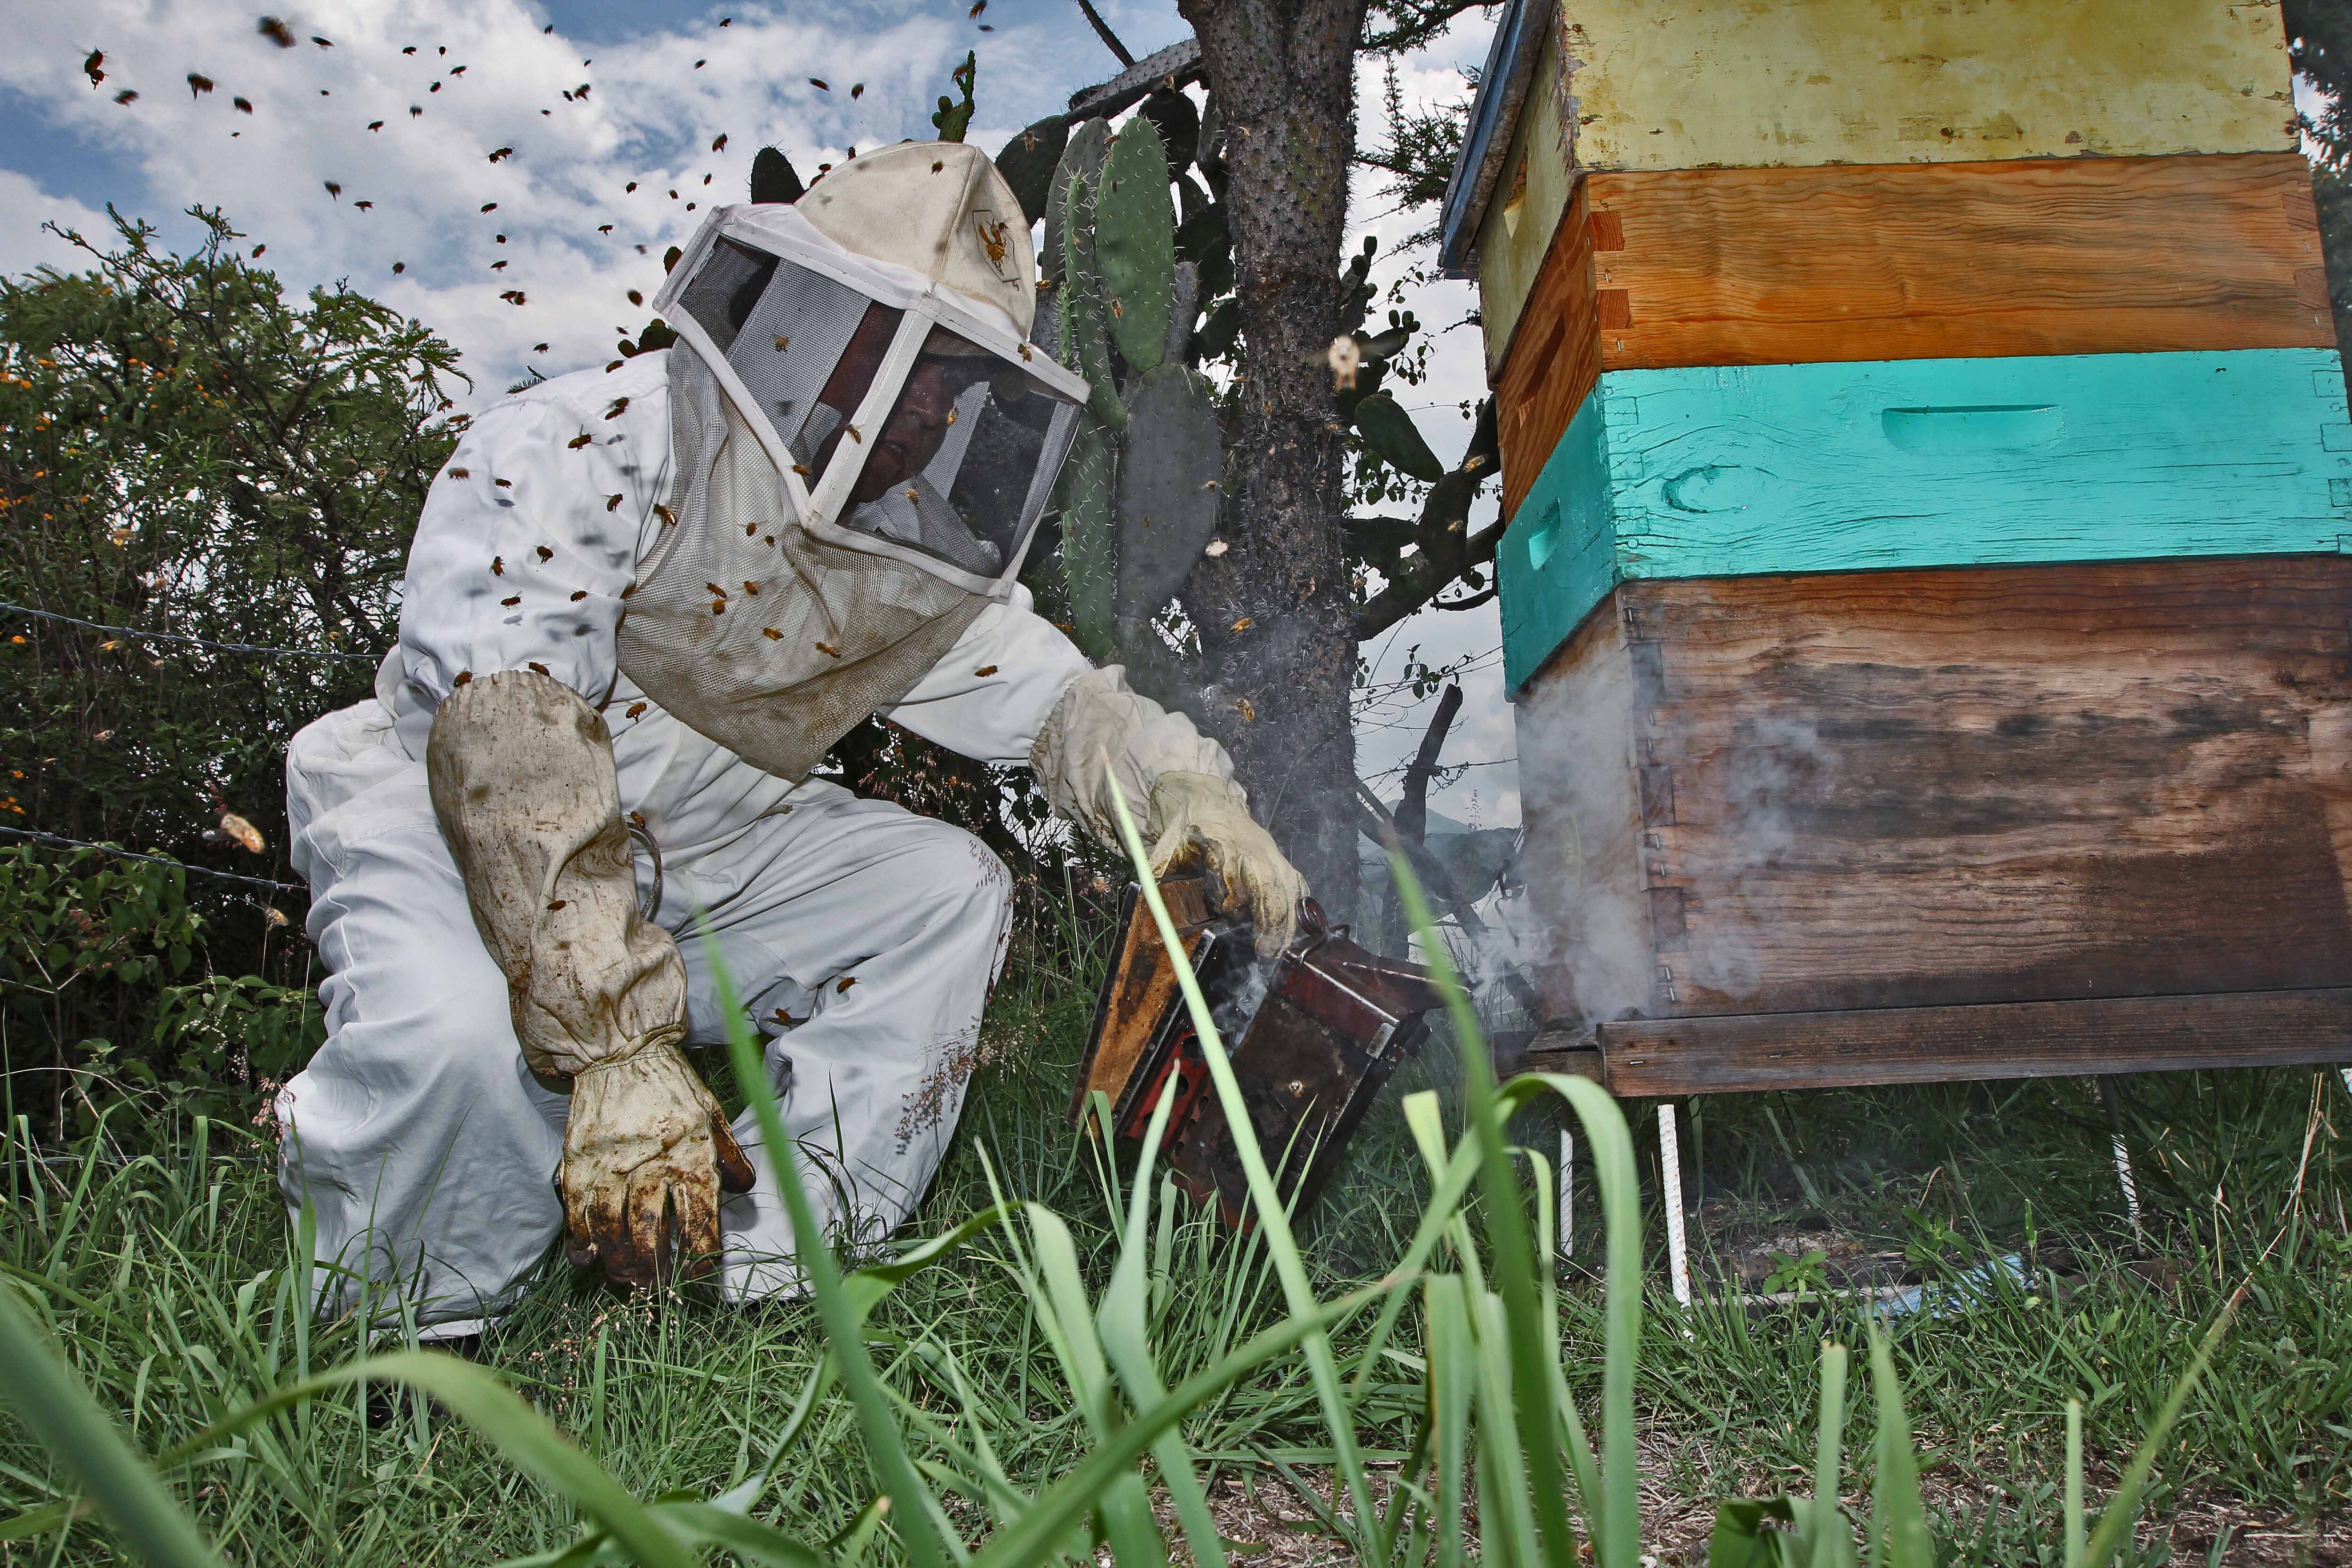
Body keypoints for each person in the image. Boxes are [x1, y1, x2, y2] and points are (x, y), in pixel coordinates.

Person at [276, 141, 1304, 1336]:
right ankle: (404, 1339)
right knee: (456, 1036)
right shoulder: (580, 446)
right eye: (908, 359)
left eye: (957, 382)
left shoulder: (903, 546)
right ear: (801, 315)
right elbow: (511, 744)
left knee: (944, 888)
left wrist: (1183, 786)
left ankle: (759, 1273)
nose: (931, 409)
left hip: (711, 844)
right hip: (458, 824)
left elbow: (1054, 700)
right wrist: (613, 1041)